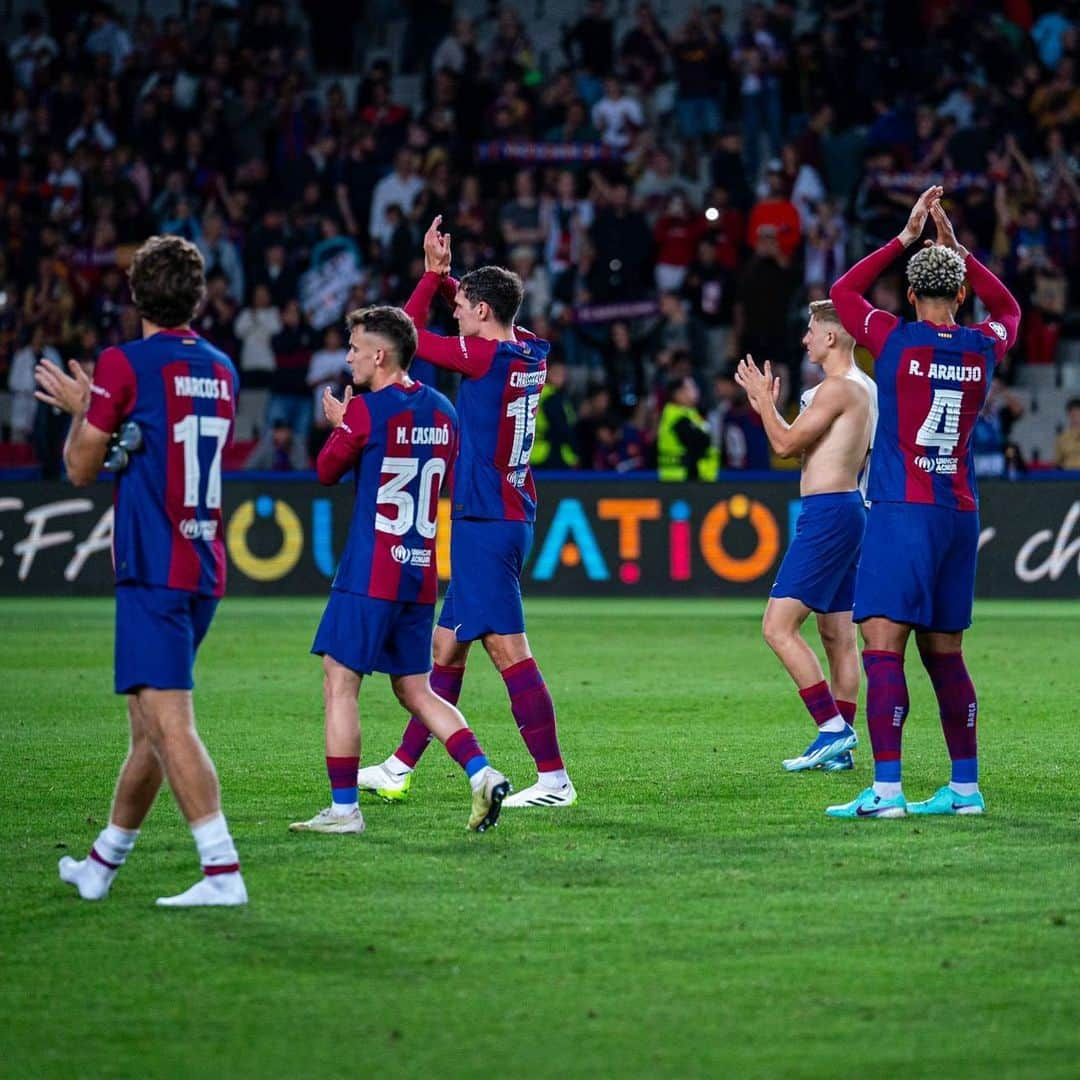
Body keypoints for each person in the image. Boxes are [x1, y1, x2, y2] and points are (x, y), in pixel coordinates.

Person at [34, 235, 246, 907]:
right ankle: (102, 863)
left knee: (170, 723)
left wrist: (86, 410)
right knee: (149, 729)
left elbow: (80, 467)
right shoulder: (221, 369)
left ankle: (221, 871)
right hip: (203, 560)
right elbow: (155, 439)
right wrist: (111, 420)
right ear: (200, 295)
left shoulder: (123, 366)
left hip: (154, 563)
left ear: (134, 295)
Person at [357, 216, 576, 809]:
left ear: (482, 312)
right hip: (508, 512)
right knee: (446, 649)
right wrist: (453, 280)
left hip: (486, 521)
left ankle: (554, 779)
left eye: (462, 308)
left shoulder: (481, 358)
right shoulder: (526, 349)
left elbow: (397, 342)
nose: (454, 313)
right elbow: (484, 314)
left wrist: (431, 280)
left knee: (510, 652)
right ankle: (400, 766)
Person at [826, 187, 1020, 819]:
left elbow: (845, 292)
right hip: (958, 512)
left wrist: (906, 238)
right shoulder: (982, 343)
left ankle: (886, 792)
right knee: (946, 653)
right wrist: (959, 251)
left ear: (911, 293)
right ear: (961, 295)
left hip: (902, 511)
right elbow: (1011, 308)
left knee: (882, 646)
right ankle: (965, 789)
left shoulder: (893, 339)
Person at [289, 306, 509, 835]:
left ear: (379, 355)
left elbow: (324, 472)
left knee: (340, 682)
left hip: (369, 575)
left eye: (355, 348)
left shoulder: (365, 411)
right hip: (418, 573)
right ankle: (482, 772)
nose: (348, 357)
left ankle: (344, 810)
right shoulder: (443, 411)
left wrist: (341, 426)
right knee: (416, 688)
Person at [734, 301, 876, 773]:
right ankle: (843, 752)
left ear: (832, 337)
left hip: (829, 512)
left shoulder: (838, 390)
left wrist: (764, 404)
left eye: (812, 330)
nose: (806, 339)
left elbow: (783, 445)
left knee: (777, 627)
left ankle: (833, 729)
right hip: (849, 506)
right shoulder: (863, 389)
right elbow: (809, 449)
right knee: (837, 635)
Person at [657, 374, 718, 481]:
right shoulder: (676, 417)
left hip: (693, 478)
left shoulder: (690, 414)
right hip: (680, 479)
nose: (696, 390)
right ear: (678, 394)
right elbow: (699, 441)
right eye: (691, 387)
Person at [1054, 397, 1080, 470]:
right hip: (1068, 478)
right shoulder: (1062, 438)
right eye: (1072, 412)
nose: (1075, 415)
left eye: (1078, 411)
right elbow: (1057, 464)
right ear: (1068, 414)